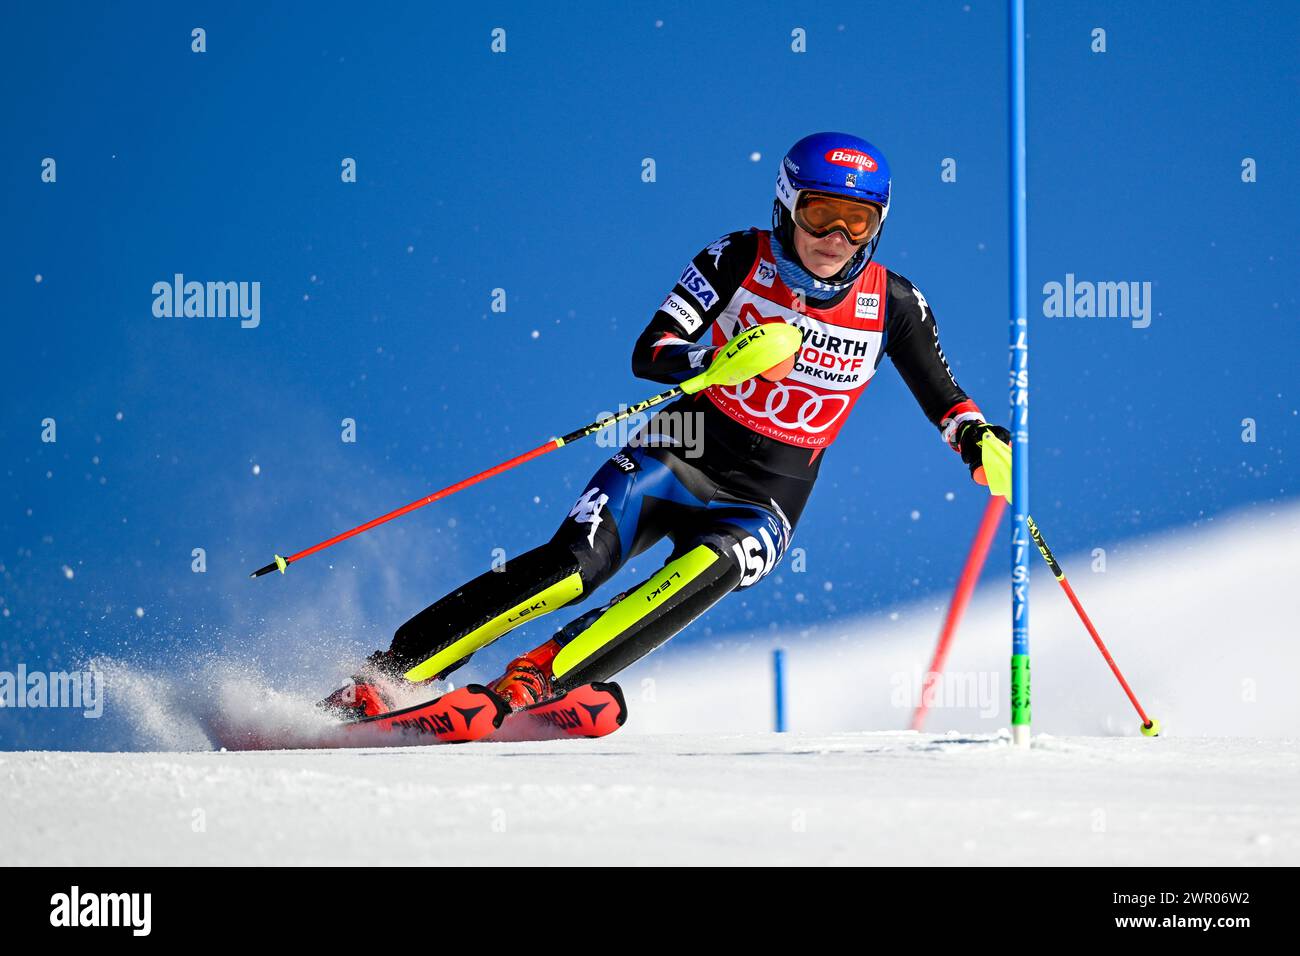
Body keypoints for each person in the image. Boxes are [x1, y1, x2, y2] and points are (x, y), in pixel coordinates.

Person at [320, 131, 1011, 718]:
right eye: (820, 212)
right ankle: (387, 677)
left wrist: (979, 441)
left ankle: (536, 682)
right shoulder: (737, 258)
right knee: (571, 571)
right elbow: (651, 350)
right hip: (679, 454)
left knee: (707, 571)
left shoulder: (894, 302)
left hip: (766, 495)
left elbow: (945, 395)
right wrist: (718, 359)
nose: (835, 236)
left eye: (856, 221)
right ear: (786, 204)